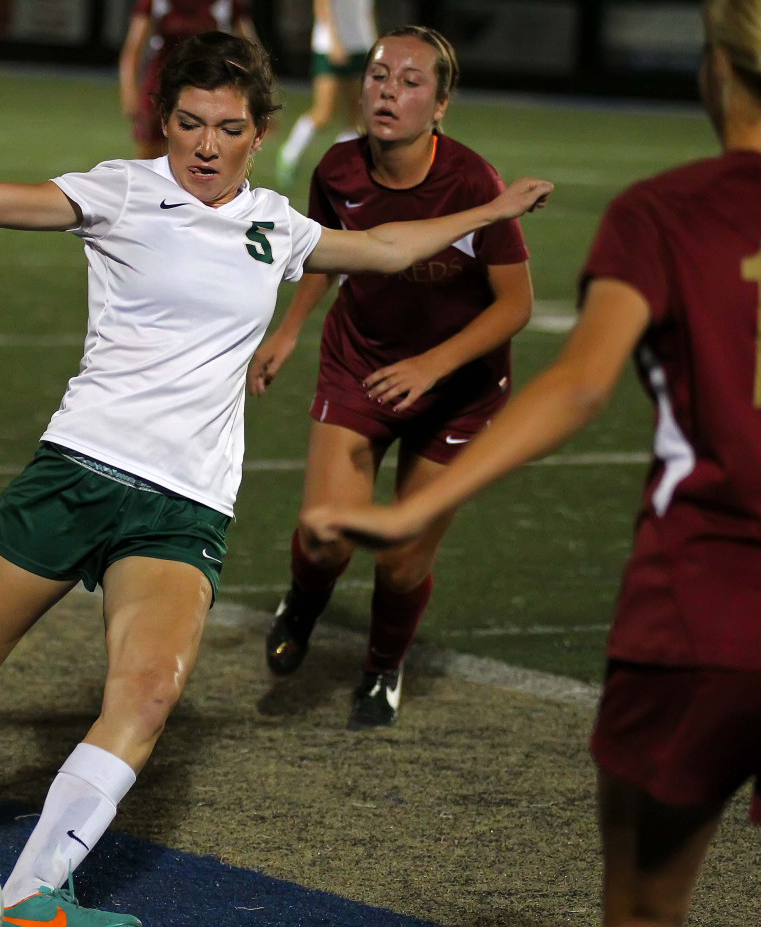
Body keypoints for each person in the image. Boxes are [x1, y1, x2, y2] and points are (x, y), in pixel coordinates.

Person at [0, 32, 551, 927]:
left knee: (149, 690)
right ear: (166, 121)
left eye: (227, 128)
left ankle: (36, 892)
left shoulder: (278, 223)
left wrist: (489, 208)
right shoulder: (121, 189)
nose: (204, 145)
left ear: (260, 132)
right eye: (189, 123)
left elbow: (385, 248)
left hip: (183, 506)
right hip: (77, 473)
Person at [302, 0, 761, 922]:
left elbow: (580, 387)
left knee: (643, 907)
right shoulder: (348, 169)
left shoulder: (666, 212)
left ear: (715, 67)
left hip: (704, 609)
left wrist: (403, 515)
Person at [251, 25, 534, 730]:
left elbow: (517, 305)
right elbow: (324, 254)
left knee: (404, 558)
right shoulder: (340, 168)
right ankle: (304, 600)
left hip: (459, 389)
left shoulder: (473, 184)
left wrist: (433, 365)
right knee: (324, 534)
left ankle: (382, 665)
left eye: (411, 83)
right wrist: (290, 328)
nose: (389, 92)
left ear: (440, 105)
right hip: (360, 365)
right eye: (380, 76)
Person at [118, 0, 258, 160]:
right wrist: (130, 95)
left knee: (207, 161)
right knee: (151, 166)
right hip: (164, 89)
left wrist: (258, 96)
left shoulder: (228, 4)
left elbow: (251, 51)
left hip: (209, 93)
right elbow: (133, 48)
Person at [275, 0, 377, 189]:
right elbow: (322, 6)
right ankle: (290, 155)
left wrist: (373, 42)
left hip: (361, 45)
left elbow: (366, 11)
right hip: (329, 47)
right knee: (324, 113)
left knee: (355, 118)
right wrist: (334, 41)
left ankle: (339, 169)